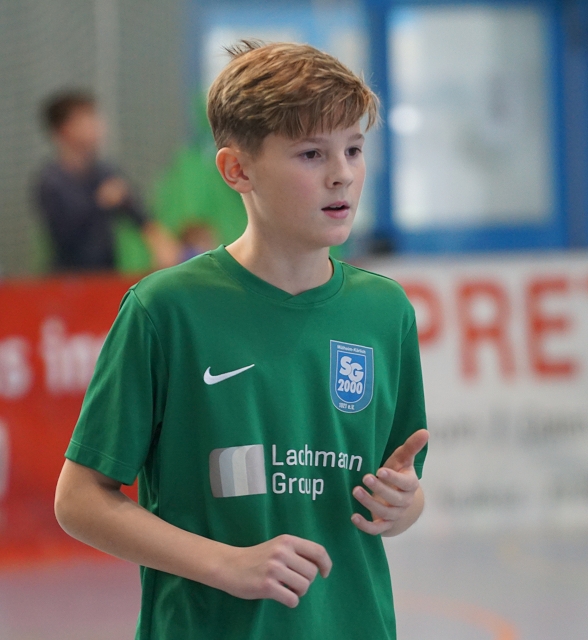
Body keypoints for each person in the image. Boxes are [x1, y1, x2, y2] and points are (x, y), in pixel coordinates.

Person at [54, 41, 429, 639]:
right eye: (312, 153)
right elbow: (79, 500)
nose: (342, 173)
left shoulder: (385, 312)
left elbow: (400, 496)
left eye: (354, 149)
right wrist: (224, 564)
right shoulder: (166, 309)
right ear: (237, 170)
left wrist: (402, 504)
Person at [36, 91, 179, 272]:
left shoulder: (104, 172)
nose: (97, 126)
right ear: (65, 129)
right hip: (68, 277)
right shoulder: (51, 181)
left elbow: (134, 209)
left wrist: (157, 238)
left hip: (106, 273)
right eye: (87, 119)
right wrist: (99, 203)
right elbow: (65, 234)